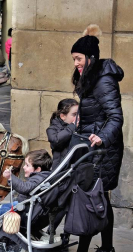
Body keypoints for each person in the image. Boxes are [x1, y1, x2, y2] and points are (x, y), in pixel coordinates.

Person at [70, 24, 124, 252]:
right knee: (98, 195)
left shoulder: (103, 80)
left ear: (91, 58)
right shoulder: (93, 78)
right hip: (93, 145)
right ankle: (107, 248)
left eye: (78, 58)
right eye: (73, 59)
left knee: (91, 196)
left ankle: (86, 248)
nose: (76, 63)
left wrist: (101, 137)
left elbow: (115, 117)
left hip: (103, 149)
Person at [0, 149, 52, 220]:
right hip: (26, 204)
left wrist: (10, 177)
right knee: (9, 205)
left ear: (38, 169)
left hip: (25, 210)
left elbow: (25, 188)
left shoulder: (39, 178)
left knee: (3, 211)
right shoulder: (44, 176)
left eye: (27, 165)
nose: (24, 167)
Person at [46, 98, 79, 170]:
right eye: (74, 115)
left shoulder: (78, 128)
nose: (78, 117)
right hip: (60, 169)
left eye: (79, 114)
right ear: (63, 116)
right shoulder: (52, 129)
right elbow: (55, 140)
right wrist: (72, 127)